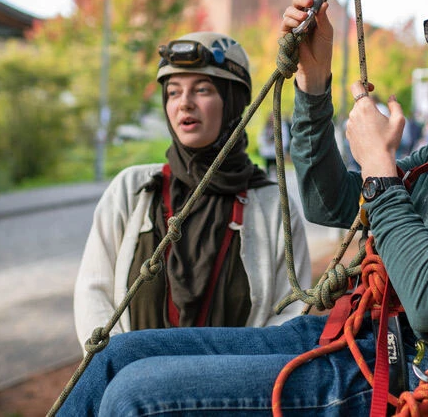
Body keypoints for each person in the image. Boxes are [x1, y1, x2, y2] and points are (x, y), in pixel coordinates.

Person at [59, 0, 428, 417]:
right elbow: (328, 202)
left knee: (138, 395)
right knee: (114, 360)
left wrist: (380, 166)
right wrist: (313, 86)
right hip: (358, 341)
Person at [72, 32, 312, 350]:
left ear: (233, 100)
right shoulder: (131, 190)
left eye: (202, 90)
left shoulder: (272, 205)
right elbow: (94, 294)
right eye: (173, 92)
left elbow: (289, 317)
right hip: (132, 390)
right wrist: (119, 368)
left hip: (231, 394)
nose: (184, 102)